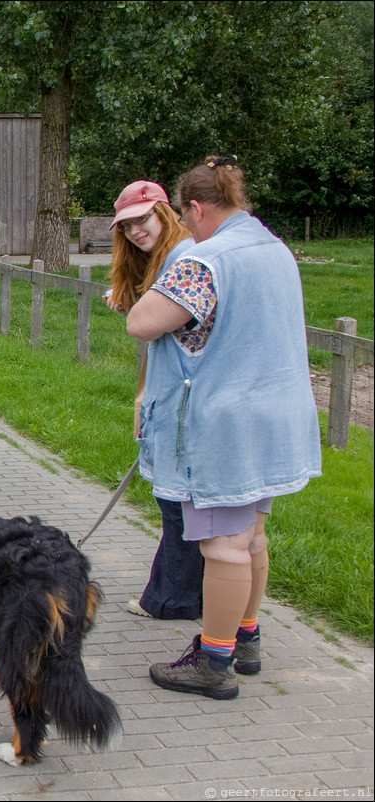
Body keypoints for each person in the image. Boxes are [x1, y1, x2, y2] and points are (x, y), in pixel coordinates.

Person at [127, 155, 322, 699]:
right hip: (276, 413)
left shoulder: (206, 258)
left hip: (226, 422)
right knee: (253, 535)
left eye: (187, 220)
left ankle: (214, 660)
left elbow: (142, 321)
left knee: (225, 546)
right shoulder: (275, 249)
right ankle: (246, 635)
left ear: (194, 207)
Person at [105, 180, 201, 621]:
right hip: (166, 389)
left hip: (186, 395)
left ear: (164, 212)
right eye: (126, 226)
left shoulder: (185, 260)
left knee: (178, 502)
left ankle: (173, 598)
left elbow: (152, 327)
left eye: (142, 219)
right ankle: (179, 592)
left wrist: (139, 312)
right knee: (175, 501)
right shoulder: (157, 265)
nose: (136, 231)